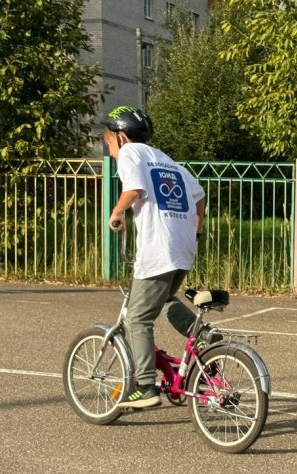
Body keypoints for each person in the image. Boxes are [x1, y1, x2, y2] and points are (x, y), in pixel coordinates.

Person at [103, 105, 208, 409]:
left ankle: (146, 386)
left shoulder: (130, 153)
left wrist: (117, 212)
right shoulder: (165, 159)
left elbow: (134, 188)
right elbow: (199, 194)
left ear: (121, 136)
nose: (109, 149)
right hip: (182, 248)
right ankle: (205, 337)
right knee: (163, 299)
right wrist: (196, 228)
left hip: (157, 249)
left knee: (137, 316)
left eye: (108, 141)